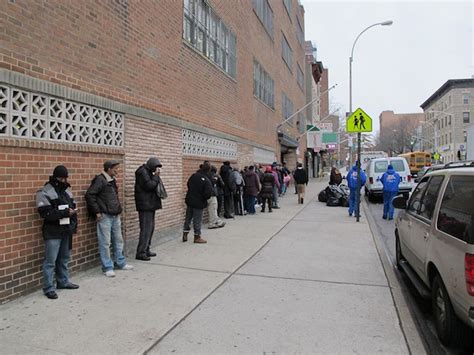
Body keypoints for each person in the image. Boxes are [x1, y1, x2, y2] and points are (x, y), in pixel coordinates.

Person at [36, 165, 79, 299]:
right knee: (50, 261)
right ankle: (48, 288)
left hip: (65, 230)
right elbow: (46, 213)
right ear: (55, 177)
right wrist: (65, 213)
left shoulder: (67, 191)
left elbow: (74, 207)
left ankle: (63, 281)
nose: (64, 180)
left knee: (64, 258)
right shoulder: (44, 191)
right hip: (52, 231)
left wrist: (73, 224)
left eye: (65, 178)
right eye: (61, 178)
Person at [85, 160, 134, 277]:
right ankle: (107, 267)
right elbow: (89, 195)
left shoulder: (111, 180)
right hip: (105, 216)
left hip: (115, 214)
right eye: (115, 169)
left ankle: (120, 262)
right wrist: (97, 212)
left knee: (118, 240)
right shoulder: (100, 180)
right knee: (105, 242)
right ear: (109, 169)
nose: (117, 171)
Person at [134, 157, 163, 261]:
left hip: (150, 204)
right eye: (156, 167)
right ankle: (141, 252)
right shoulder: (142, 172)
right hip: (145, 205)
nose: (157, 169)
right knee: (146, 229)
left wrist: (155, 176)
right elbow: (149, 186)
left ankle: (146, 249)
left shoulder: (149, 172)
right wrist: (156, 177)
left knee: (150, 228)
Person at [182, 161, 213, 244]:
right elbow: (208, 194)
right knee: (197, 220)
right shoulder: (206, 180)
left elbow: (188, 184)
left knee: (188, 218)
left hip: (190, 201)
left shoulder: (193, 176)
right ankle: (197, 236)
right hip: (199, 203)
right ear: (208, 170)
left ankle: (185, 233)